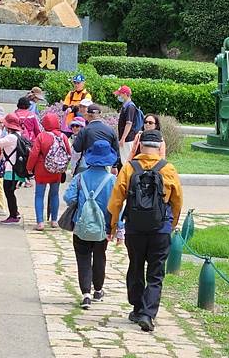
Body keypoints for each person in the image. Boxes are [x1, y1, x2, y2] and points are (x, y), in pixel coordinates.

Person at [108, 129, 183, 332]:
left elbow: (116, 200)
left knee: (135, 266)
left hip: (135, 228)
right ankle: (148, 314)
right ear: (160, 147)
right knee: (156, 273)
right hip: (160, 228)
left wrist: (113, 226)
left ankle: (137, 307)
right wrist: (172, 224)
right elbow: (177, 201)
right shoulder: (168, 169)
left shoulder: (129, 168)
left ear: (140, 146)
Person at [63, 140, 117, 309]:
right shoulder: (112, 180)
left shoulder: (80, 177)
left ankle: (85, 293)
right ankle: (98, 290)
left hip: (81, 225)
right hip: (103, 227)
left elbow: (69, 198)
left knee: (83, 257)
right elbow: (117, 205)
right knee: (100, 256)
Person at [27, 113, 71, 230]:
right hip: (56, 170)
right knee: (54, 194)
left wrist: (29, 168)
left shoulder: (41, 136)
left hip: (41, 169)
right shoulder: (63, 136)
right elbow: (69, 153)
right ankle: (54, 220)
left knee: (39, 195)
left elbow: (34, 154)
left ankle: (40, 222)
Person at [0, 113, 25, 225]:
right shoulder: (18, 135)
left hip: (10, 169)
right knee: (10, 192)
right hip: (15, 168)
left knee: (9, 192)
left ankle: (13, 215)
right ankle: (15, 212)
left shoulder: (11, 137)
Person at [73, 104, 121, 174]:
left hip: (88, 163)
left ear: (88, 115)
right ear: (100, 115)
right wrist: (115, 166)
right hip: (106, 164)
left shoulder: (84, 130)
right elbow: (116, 150)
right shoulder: (110, 130)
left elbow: (77, 148)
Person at [113, 85, 139, 165]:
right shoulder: (126, 106)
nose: (118, 96)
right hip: (126, 138)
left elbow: (129, 123)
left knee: (127, 161)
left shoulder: (130, 106)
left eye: (120, 94)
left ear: (125, 94)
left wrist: (123, 138)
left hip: (128, 139)